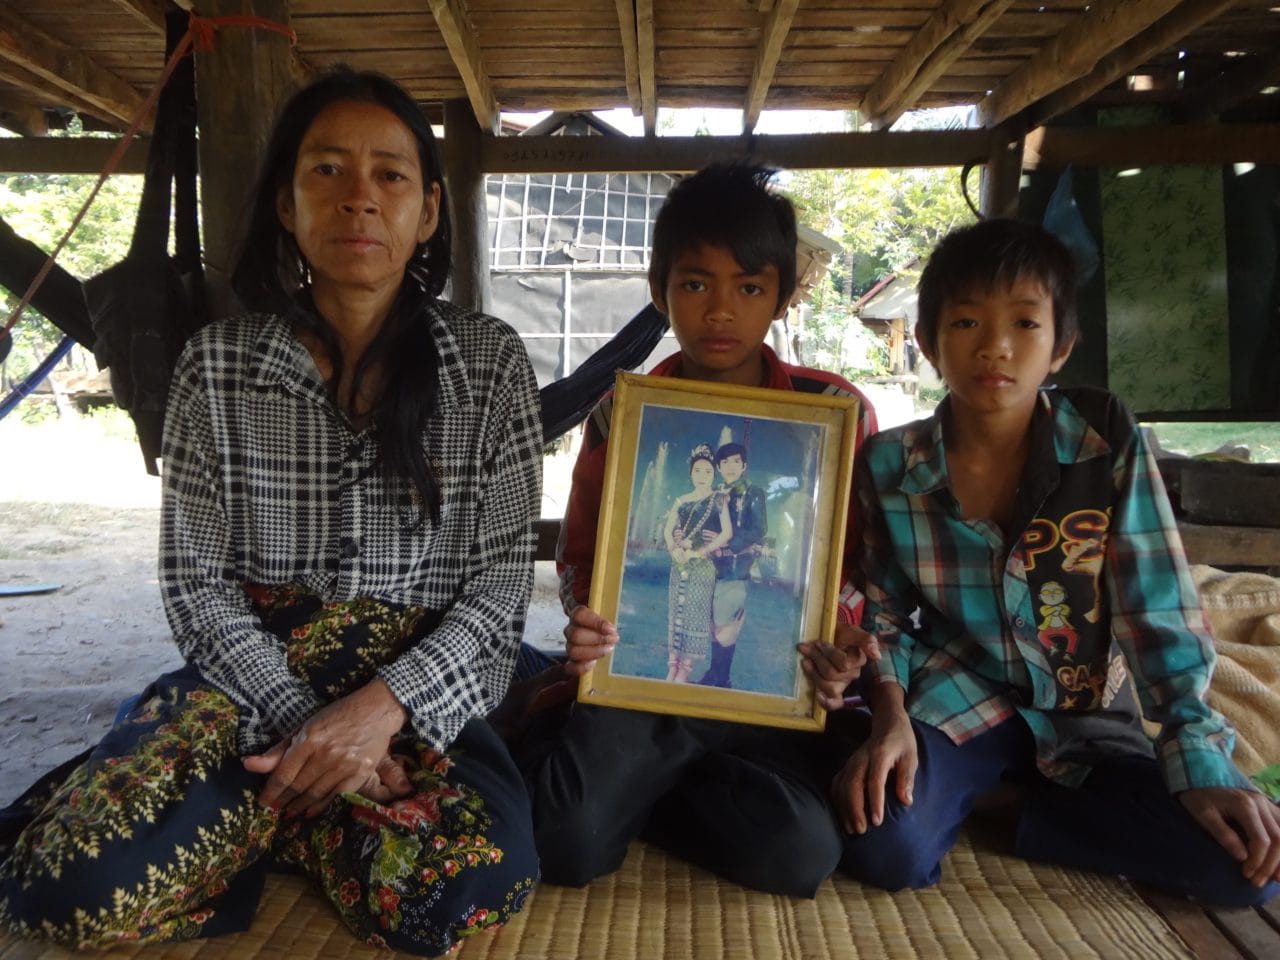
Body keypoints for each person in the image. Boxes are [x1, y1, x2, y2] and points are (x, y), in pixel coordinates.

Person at [0, 69, 544, 953]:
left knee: (465, 887)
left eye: (390, 175)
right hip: (252, 682)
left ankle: (264, 815)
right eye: (327, 171)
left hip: (407, 695)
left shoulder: (489, 365)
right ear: (288, 206)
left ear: (430, 212)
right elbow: (196, 584)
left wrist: (375, 719)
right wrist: (308, 728)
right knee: (70, 892)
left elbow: (496, 590)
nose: (359, 199)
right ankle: (305, 803)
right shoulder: (218, 365)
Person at [836, 218, 1280, 906]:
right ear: (927, 343)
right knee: (882, 842)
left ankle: (1004, 805)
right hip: (957, 697)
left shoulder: (1102, 440)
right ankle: (989, 792)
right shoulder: (891, 463)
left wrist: (1199, 757)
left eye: (1025, 324)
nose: (995, 348)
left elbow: (1154, 601)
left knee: (1248, 866)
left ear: (1061, 346)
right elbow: (884, 612)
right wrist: (889, 719)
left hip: (1085, 712)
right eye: (966, 324)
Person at [518, 162, 881, 898]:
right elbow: (585, 553)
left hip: (775, 683)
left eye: (748, 287)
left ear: (779, 296)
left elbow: (861, 564)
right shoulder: (624, 414)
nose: (721, 310)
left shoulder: (832, 414)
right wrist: (589, 616)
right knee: (566, 845)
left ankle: (651, 790)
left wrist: (843, 639)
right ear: (660, 293)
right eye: (695, 284)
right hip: (644, 682)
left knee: (800, 856)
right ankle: (633, 785)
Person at [663, 442, 734, 682]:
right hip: (680, 564)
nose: (702, 476)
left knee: (696, 614)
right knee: (676, 613)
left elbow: (726, 533)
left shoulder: (718, 499)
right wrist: (673, 549)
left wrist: (702, 551)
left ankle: (685, 669)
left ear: (714, 473)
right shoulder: (682, 500)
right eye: (698, 471)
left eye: (707, 471)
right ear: (690, 473)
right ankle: (672, 665)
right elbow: (667, 529)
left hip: (703, 568)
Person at [698, 440, 766, 687]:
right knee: (714, 624)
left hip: (736, 568)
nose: (730, 466)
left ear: (744, 466)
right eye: (725, 462)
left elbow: (758, 529)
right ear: (718, 466)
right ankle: (715, 675)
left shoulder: (752, 493)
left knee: (726, 626)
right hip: (714, 568)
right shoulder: (716, 494)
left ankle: (721, 678)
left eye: (736, 461)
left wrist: (727, 544)